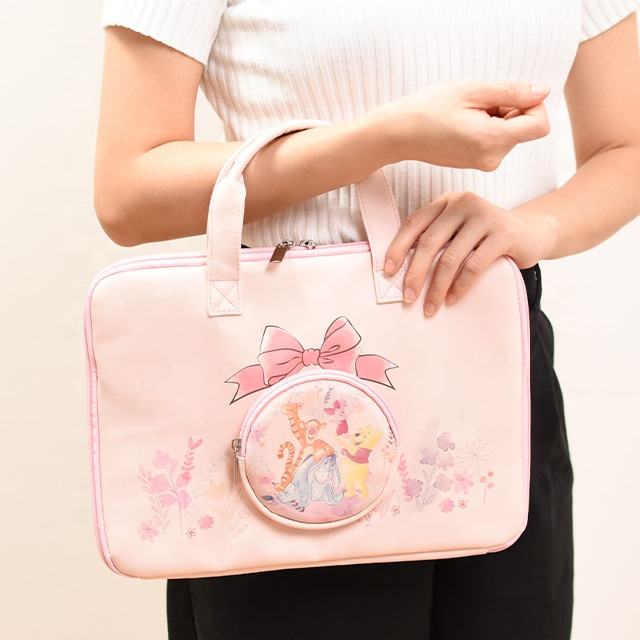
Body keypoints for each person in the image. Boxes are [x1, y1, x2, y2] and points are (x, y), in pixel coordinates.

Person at [94, 1, 640, 638]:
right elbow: (126, 192)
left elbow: (625, 146)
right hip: (292, 384)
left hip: (495, 366)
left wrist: (534, 227)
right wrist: (382, 139)